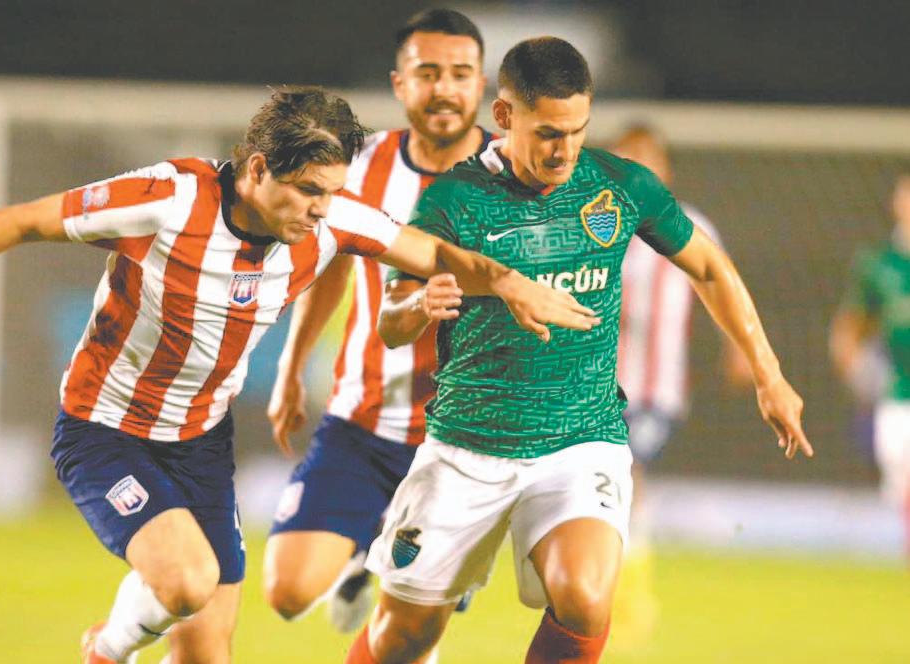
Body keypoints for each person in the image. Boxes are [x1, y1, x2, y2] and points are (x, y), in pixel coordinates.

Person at [0, 87, 600, 664]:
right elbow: (26, 219)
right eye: (308, 190)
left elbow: (431, 253)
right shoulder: (168, 198)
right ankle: (105, 650)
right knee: (187, 581)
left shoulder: (333, 220)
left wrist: (510, 283)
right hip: (104, 430)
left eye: (332, 191)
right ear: (257, 169)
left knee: (207, 653)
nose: (322, 210)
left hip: (200, 443)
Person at [344, 38, 812, 664]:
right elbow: (391, 323)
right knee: (402, 639)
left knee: (587, 599)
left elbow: (708, 266)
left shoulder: (618, 186)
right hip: (468, 447)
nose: (564, 150)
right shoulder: (453, 200)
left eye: (576, 130)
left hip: (581, 440)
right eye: (547, 133)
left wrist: (768, 374)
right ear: (504, 116)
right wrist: (419, 306)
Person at [263, 8, 491, 634]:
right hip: (364, 419)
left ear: (481, 84)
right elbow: (329, 267)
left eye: (461, 74)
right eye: (428, 72)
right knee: (287, 592)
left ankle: (390, 554)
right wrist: (291, 367)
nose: (444, 88)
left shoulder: (514, 175)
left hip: (466, 439)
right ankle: (373, 547)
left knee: (412, 626)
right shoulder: (359, 169)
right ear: (400, 83)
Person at [608, 124, 751, 644]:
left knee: (626, 474)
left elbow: (722, 285)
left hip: (656, 390)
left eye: (646, 159)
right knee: (609, 484)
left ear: (664, 167)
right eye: (627, 159)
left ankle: (630, 596)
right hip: (595, 387)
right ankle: (610, 587)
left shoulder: (689, 226)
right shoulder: (599, 224)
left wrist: (742, 349)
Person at [831, 174, 910, 559]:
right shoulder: (878, 264)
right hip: (897, 392)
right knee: (901, 484)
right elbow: (849, 328)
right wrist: (856, 373)